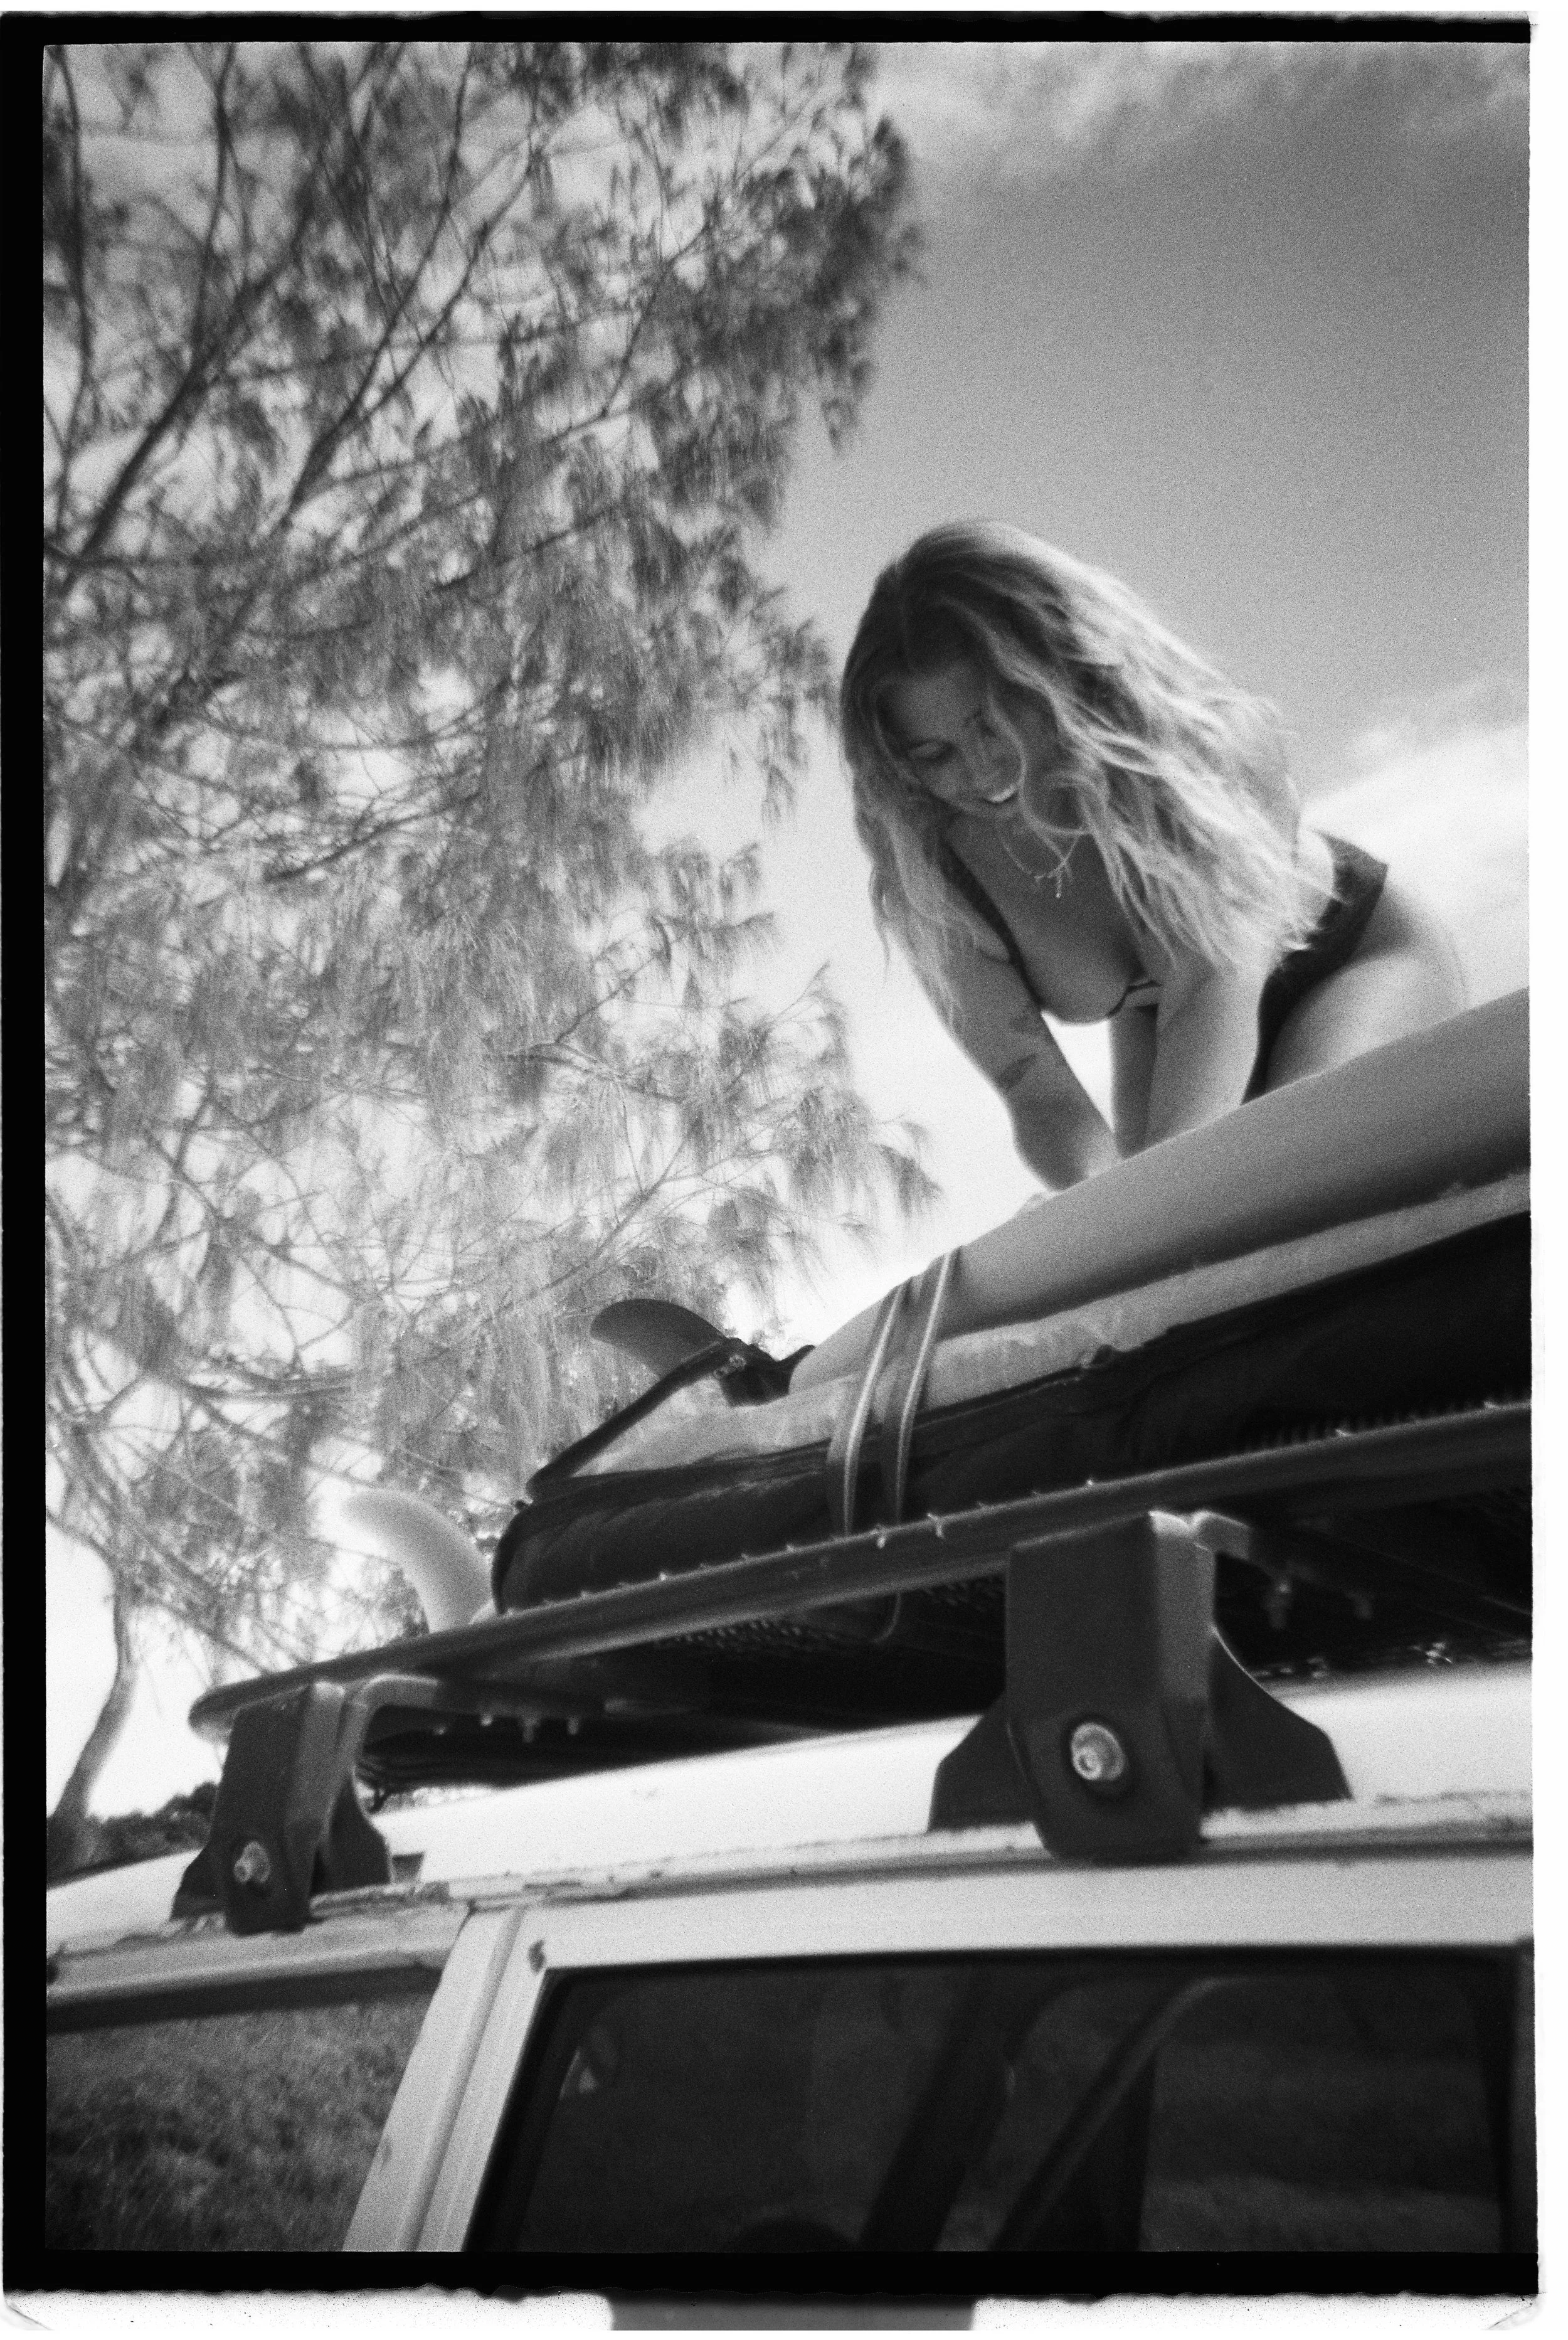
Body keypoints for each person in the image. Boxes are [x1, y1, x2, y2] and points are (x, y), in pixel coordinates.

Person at [837, 521, 1465, 1193]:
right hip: (1163, 1027)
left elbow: (1210, 986)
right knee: (1148, 1224)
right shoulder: (941, 888)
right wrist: (1098, 1208)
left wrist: (1152, 1206)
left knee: (1287, 1177)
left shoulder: (1206, 752)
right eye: (933, 755)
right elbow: (1044, 1103)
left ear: (1056, 670)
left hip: (1346, 956)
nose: (981, 769)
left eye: (992, 722)